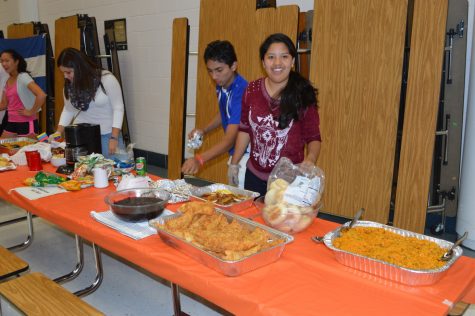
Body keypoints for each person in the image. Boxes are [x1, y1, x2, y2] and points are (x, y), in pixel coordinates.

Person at [231, 33, 322, 196]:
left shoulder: (303, 94)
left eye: (284, 57)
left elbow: (313, 137)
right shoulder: (251, 90)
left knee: (283, 222)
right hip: (254, 177)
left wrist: (311, 159)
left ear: (292, 61)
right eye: (271, 57)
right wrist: (234, 163)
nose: (277, 63)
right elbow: (245, 128)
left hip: (288, 183)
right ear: (263, 62)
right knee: (253, 221)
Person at [181, 40, 249, 188]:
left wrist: (199, 159)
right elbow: (225, 112)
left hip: (248, 156)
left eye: (219, 70)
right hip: (237, 153)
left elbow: (229, 140)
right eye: (210, 71)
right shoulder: (223, 85)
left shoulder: (241, 92)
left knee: (242, 203)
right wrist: (204, 130)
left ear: (233, 66)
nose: (214, 76)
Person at [56, 47, 125, 158]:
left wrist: (114, 137)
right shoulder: (69, 86)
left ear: (79, 68)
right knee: (85, 173)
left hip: (108, 135)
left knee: (115, 171)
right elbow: (68, 109)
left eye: (68, 72)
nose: (65, 76)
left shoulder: (106, 79)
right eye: (63, 72)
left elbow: (118, 108)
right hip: (82, 136)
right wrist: (58, 132)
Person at [0, 49, 46, 138]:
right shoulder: (7, 80)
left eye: (7, 61)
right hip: (11, 122)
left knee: (26, 151)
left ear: (16, 62)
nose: (4, 64)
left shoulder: (23, 77)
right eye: (2, 61)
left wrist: (31, 111)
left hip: (27, 123)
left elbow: (41, 95)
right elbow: (4, 104)